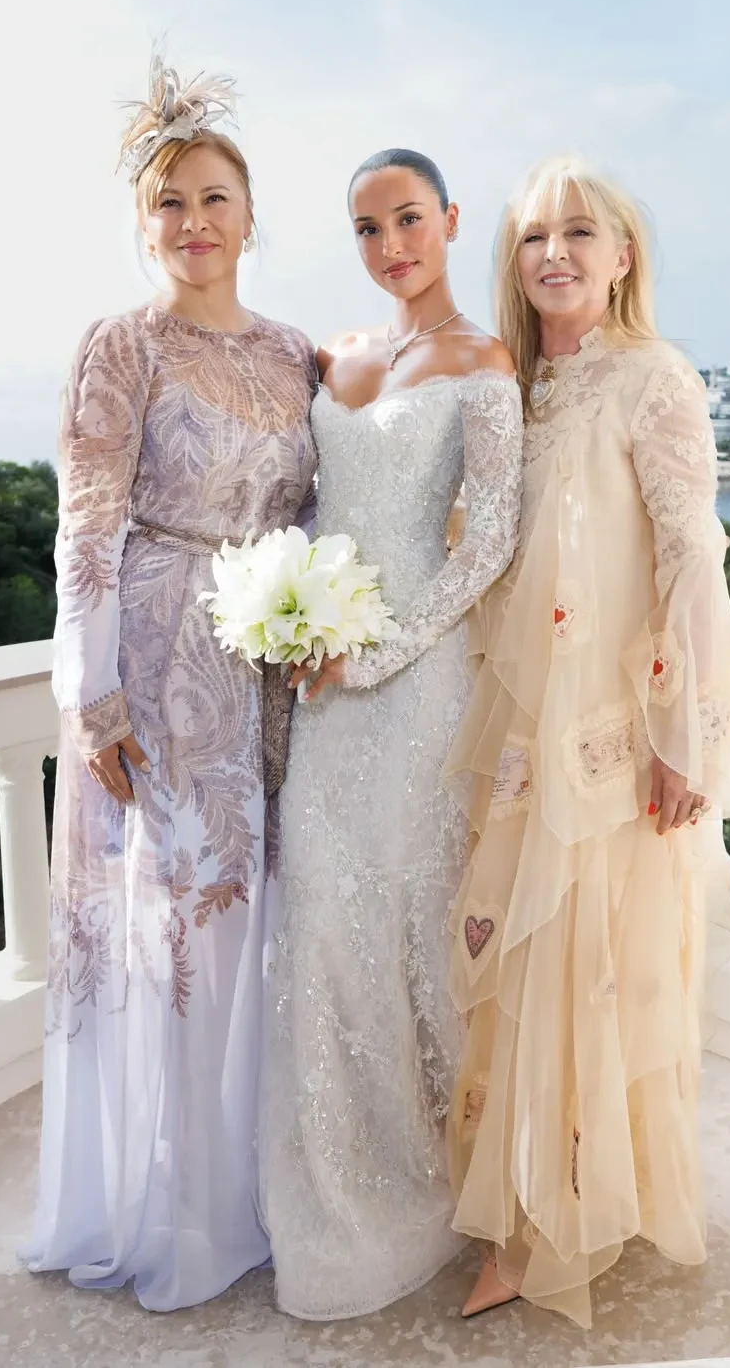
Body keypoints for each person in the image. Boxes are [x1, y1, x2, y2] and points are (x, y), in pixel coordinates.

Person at [443, 154, 730, 1321]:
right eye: (535, 234)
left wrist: (685, 734)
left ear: (623, 257)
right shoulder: (519, 388)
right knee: (521, 958)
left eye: (580, 231)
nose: (555, 252)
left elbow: (692, 557)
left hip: (614, 735)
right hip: (521, 732)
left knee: (591, 962)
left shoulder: (654, 378)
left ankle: (553, 1223)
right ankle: (527, 1193)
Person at [20, 56, 317, 1312]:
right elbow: (85, 524)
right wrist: (90, 694)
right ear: (144, 226)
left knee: (251, 925)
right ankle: (177, 1211)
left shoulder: (297, 353)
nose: (194, 220)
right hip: (151, 661)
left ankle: (247, 1191)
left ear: (251, 215)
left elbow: (318, 509)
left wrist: (311, 618)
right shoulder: (121, 344)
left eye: (213, 198)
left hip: (264, 671)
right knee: (174, 929)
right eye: (169, 203)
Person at [257, 149, 524, 1320]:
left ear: (450, 220)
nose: (390, 246)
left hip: (416, 679)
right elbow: (308, 503)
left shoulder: (485, 362)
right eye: (367, 228)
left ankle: (442, 1176)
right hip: (322, 681)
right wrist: (288, 610)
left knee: (416, 918)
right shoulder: (333, 354)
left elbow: (488, 543)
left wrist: (374, 652)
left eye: (408, 219)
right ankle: (337, 1185)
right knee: (324, 915)